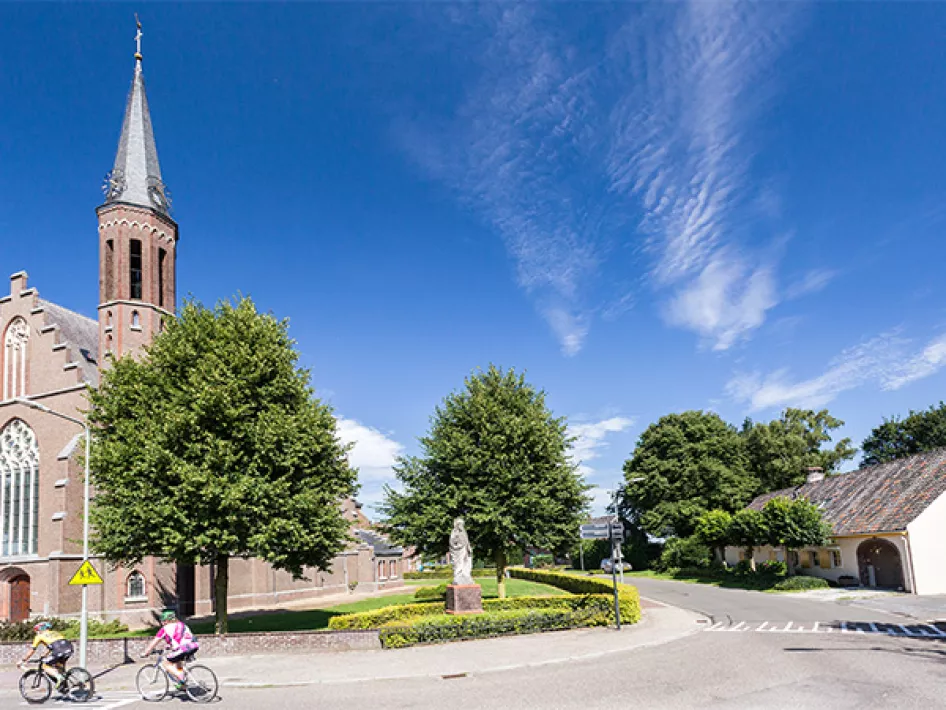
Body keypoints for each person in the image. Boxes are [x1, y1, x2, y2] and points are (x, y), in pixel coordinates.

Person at [141, 610, 199, 687]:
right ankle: (182, 685)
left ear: (166, 621)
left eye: (162, 621)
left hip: (183, 649)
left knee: (165, 662)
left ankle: (180, 675)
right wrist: (171, 646)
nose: (162, 623)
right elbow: (181, 638)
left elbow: (154, 642)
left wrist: (146, 652)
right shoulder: (182, 625)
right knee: (178, 662)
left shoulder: (165, 628)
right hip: (194, 646)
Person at [18, 621, 74, 687]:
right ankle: (66, 687)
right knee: (59, 667)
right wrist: (45, 655)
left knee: (44, 666)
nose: (36, 632)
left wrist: (23, 660)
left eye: (37, 630)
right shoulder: (55, 633)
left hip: (59, 650)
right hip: (69, 648)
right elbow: (52, 647)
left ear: (40, 629)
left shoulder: (39, 636)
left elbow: (32, 650)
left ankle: (59, 678)